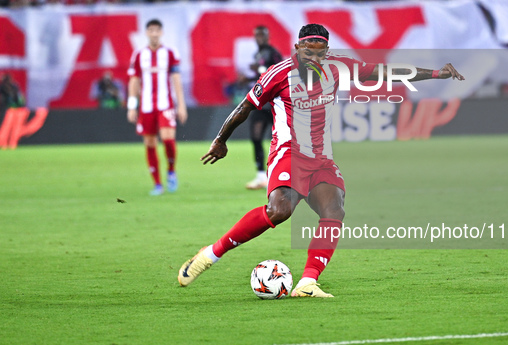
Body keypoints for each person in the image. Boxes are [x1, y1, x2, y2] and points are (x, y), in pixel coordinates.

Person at [178, 23, 464, 297]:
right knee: (279, 211)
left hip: (321, 158)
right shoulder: (278, 74)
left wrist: (437, 73)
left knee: (334, 210)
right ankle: (210, 254)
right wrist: (220, 139)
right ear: (296, 48)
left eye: (319, 52)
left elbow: (387, 72)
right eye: (307, 51)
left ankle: (307, 282)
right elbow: (245, 108)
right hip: (288, 153)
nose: (313, 57)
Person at [127, 19, 188, 196]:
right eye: (150, 30)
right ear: (146, 33)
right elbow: (134, 80)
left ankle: (171, 171)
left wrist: (181, 106)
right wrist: (132, 106)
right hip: (146, 106)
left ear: (161, 32)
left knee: (168, 139)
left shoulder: (170, 53)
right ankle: (157, 184)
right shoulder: (138, 55)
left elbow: (176, 80)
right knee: (150, 143)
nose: (154, 33)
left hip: (165, 104)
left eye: (157, 30)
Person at [245, 25, 283, 190]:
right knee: (256, 137)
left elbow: (277, 73)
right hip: (261, 103)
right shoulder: (258, 54)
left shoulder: (274, 53)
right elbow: (259, 77)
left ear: (268, 36)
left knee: (281, 140)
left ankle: (283, 174)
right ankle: (261, 176)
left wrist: (258, 69)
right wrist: (247, 79)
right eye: (256, 35)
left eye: (262, 35)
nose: (259, 38)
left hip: (274, 103)